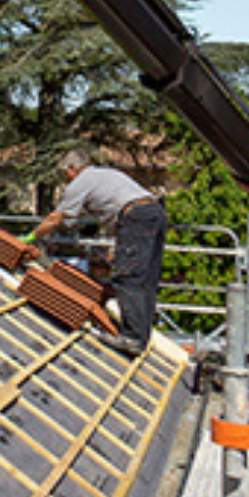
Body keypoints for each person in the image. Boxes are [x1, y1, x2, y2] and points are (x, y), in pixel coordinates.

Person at [25, 149, 167, 353]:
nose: (65, 179)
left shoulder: (80, 182)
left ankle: (133, 339)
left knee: (128, 278)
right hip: (155, 213)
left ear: (72, 168)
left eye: (65, 173)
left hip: (135, 217)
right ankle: (141, 336)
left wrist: (32, 236)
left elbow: (56, 219)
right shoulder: (105, 174)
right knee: (146, 280)